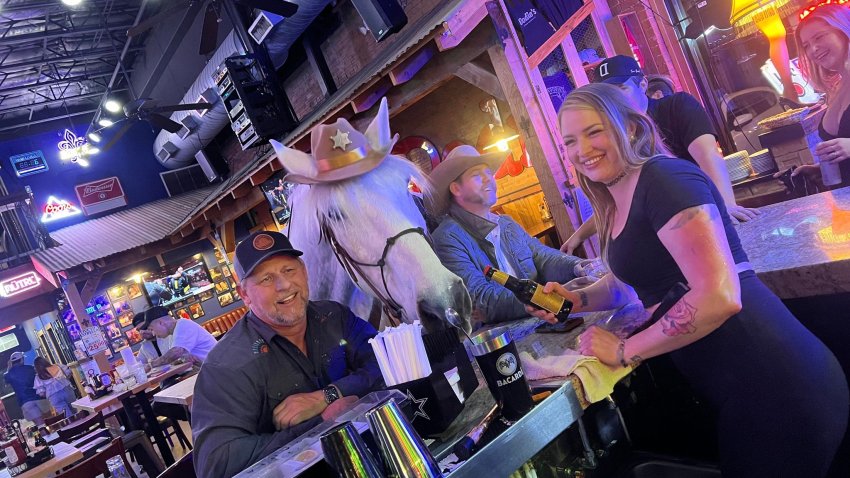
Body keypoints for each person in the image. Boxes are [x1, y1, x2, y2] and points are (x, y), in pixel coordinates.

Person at [534, 83, 848, 476]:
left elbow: (718, 296)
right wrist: (573, 301)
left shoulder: (664, 179)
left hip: (780, 388)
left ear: (631, 128)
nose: (582, 149)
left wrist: (625, 349)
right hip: (746, 391)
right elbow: (626, 284)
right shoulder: (616, 198)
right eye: (570, 141)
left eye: (594, 131)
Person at [192, 231, 384, 477]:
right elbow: (217, 464)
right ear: (245, 295)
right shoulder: (227, 365)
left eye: (289, 270)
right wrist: (322, 422)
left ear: (304, 272)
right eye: (266, 279)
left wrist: (328, 395)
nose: (283, 285)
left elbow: (386, 358)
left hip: (372, 457)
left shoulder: (334, 316)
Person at [561, 55, 760, 254]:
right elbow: (621, 200)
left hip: (704, 216)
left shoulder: (677, 106)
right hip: (666, 229)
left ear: (643, 84)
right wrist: (579, 235)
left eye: (622, 90)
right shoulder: (617, 135)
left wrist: (726, 206)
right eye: (609, 96)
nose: (617, 101)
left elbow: (708, 155)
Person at [429, 145, 582, 324]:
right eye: (477, 175)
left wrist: (579, 267)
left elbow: (542, 256)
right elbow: (480, 299)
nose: (489, 179)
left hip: (541, 320)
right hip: (504, 337)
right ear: (456, 189)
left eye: (488, 172)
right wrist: (532, 302)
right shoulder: (447, 238)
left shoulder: (506, 223)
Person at [788, 3, 850, 188]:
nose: (813, 49)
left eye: (819, 37)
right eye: (806, 45)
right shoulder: (838, 88)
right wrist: (819, 170)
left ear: (844, 30)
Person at [135, 305, 216, 367]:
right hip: (209, 367)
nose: (153, 334)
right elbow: (177, 358)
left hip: (218, 367)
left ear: (161, 323)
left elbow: (175, 353)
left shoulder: (183, 325)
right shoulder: (173, 333)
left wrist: (152, 364)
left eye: (152, 329)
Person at [3, 352, 51, 426]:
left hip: (25, 402)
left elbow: (6, 382)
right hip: (40, 398)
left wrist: (9, 367)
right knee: (51, 421)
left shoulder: (8, 375)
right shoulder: (31, 368)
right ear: (21, 359)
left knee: (41, 425)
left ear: (11, 362)